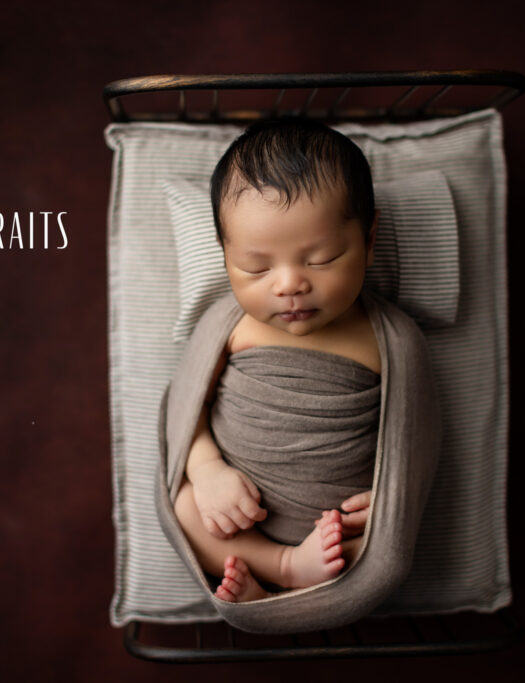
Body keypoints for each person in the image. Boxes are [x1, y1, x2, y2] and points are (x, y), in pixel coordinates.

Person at [172, 118, 400, 603]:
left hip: (342, 527)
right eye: (255, 267)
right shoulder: (230, 327)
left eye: (321, 259)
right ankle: (280, 568)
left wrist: (390, 495)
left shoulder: (390, 339)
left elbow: (415, 435)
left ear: (370, 239)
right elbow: (185, 407)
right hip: (237, 515)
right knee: (186, 506)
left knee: (387, 547)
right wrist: (207, 469)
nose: (289, 284)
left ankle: (282, 586)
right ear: (224, 254)